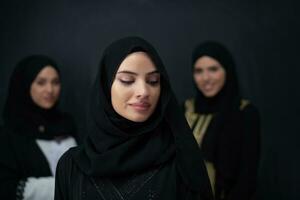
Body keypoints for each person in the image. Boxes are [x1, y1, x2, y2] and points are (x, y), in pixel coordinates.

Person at [54, 36, 213, 200]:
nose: (143, 91)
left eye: (153, 81)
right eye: (127, 80)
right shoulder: (71, 166)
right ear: (106, 86)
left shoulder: (182, 162)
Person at [184, 41, 260, 200]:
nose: (205, 78)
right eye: (198, 71)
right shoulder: (186, 109)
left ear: (227, 70)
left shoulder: (244, 113)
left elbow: (247, 178)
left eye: (213, 69)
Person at [0, 55, 78, 200]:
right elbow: (6, 188)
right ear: (25, 85)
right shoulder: (9, 134)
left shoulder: (66, 124)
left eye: (55, 82)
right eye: (41, 82)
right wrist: (68, 186)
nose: (50, 89)